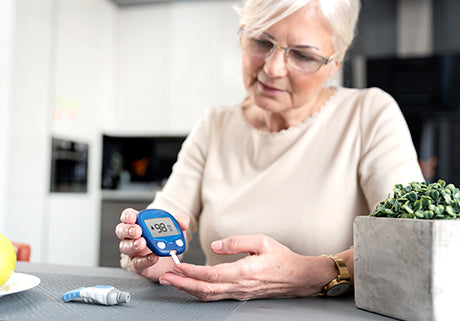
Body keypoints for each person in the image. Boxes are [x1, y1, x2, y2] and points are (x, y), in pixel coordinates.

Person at [116, 0, 424, 301]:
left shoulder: (370, 114)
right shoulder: (214, 125)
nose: (273, 68)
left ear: (336, 62)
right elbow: (165, 223)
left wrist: (304, 274)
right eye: (262, 41)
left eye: (303, 55)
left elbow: (412, 244)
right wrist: (146, 254)